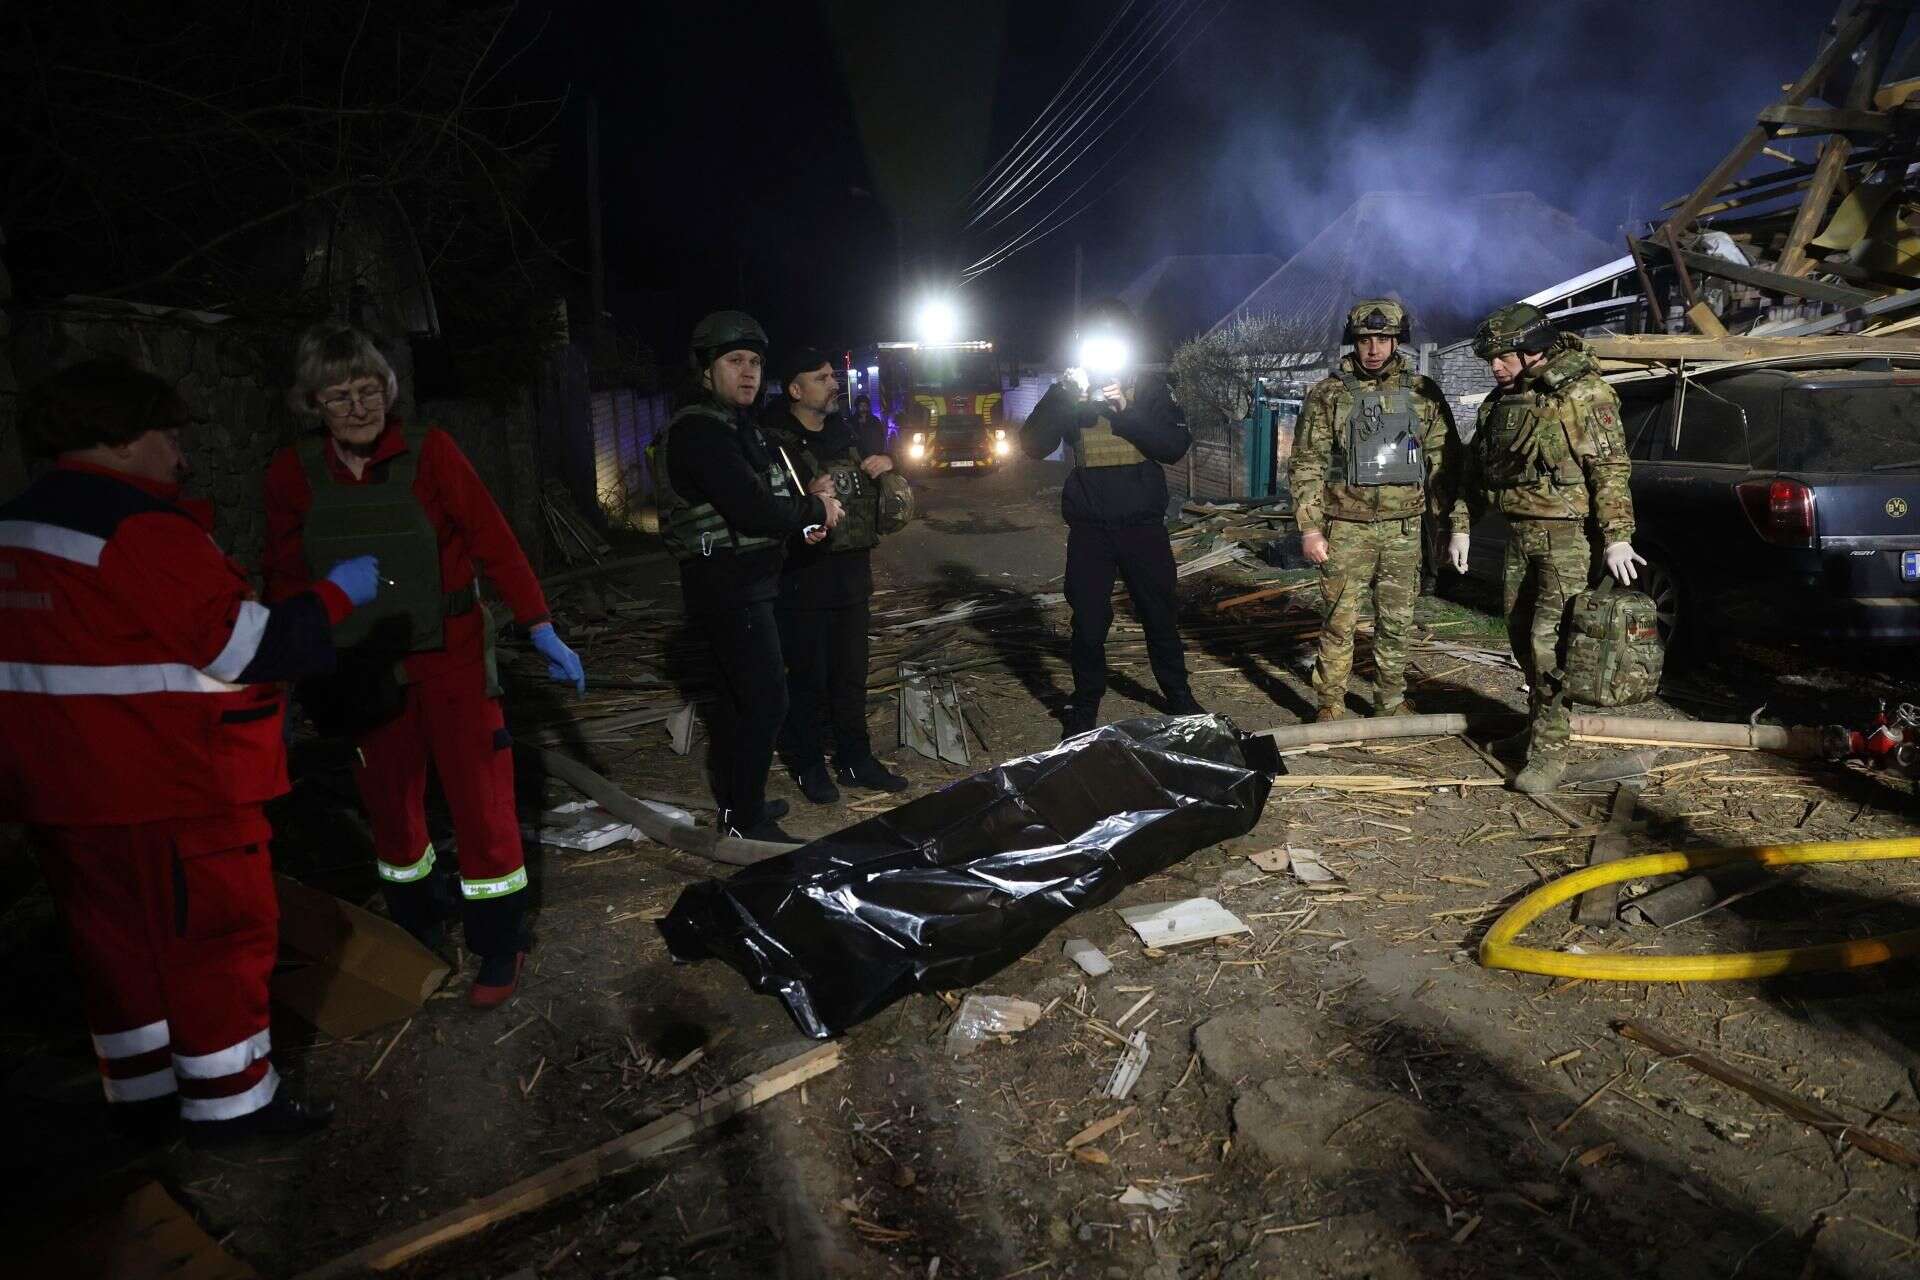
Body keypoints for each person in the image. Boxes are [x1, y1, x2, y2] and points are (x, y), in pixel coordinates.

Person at [0, 358, 372, 1142]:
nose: (181, 455)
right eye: (167, 437)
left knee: (115, 953)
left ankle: (141, 1097)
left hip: (62, 795)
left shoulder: (16, 528)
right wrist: (336, 595)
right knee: (217, 944)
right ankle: (232, 1104)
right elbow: (248, 648)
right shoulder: (138, 529)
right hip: (174, 788)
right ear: (121, 436)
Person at [263, 324, 584, 1006]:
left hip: (453, 659)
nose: (359, 406)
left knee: (482, 802)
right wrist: (288, 667)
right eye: (340, 395)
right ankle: (417, 930)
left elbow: (495, 543)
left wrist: (539, 626)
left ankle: (498, 942)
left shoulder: (431, 453)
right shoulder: (294, 474)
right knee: (392, 810)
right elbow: (286, 579)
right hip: (360, 669)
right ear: (312, 403)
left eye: (370, 389)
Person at [651, 312, 843, 839]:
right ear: (706, 370)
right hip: (726, 586)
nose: (749, 372)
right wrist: (814, 511)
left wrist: (798, 523)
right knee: (764, 700)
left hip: (752, 581)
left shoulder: (738, 428)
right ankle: (746, 820)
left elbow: (769, 504)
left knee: (742, 702)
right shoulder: (698, 431)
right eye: (734, 361)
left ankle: (742, 803)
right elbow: (751, 509)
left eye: (755, 362)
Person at [1447, 302, 1642, 793]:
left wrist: (1618, 536)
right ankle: (1537, 727)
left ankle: (1550, 753)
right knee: (1520, 637)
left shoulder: (1583, 393)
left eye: (1503, 355)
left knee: (1550, 645)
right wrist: (1462, 525)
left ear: (1532, 348)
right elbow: (1477, 469)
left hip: (1566, 540)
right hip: (1518, 534)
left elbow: (1611, 470)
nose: (1494, 366)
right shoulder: (1503, 401)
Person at [1020, 299, 1202, 737]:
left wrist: (1126, 409)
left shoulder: (1148, 389)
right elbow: (1031, 445)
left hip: (1142, 526)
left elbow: (1174, 446)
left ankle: (1178, 696)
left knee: (1159, 614)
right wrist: (1063, 397)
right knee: (1087, 621)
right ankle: (1085, 705)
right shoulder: (1070, 391)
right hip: (1091, 530)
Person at [1290, 299, 1462, 721]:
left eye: (1383, 339)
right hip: (1345, 530)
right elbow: (1307, 464)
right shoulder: (1328, 395)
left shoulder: (1423, 394)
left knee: (1397, 625)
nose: (1374, 349)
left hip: (1403, 530)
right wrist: (1310, 529)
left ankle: (1390, 703)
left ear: (1396, 341)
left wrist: (1455, 527)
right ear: (1355, 341)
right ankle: (1330, 704)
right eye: (1366, 339)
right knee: (1338, 623)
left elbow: (1446, 465)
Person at [762, 347, 911, 804]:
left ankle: (855, 758)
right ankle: (808, 764)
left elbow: (880, 490)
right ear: (795, 389)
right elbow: (760, 510)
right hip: (801, 581)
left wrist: (886, 466)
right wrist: (804, 497)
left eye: (833, 376)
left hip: (850, 579)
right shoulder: (772, 441)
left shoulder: (848, 432)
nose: (833, 384)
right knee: (807, 679)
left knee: (850, 676)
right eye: (822, 377)